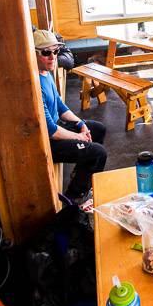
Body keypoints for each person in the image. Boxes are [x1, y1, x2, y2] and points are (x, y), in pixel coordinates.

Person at [34, 29, 107, 203]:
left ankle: (80, 175)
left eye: (55, 51)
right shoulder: (33, 85)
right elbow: (51, 131)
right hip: (48, 142)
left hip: (57, 127)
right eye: (46, 52)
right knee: (98, 153)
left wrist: (81, 123)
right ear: (33, 54)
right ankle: (75, 196)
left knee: (97, 129)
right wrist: (78, 137)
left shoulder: (46, 72)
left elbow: (60, 105)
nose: (53, 57)